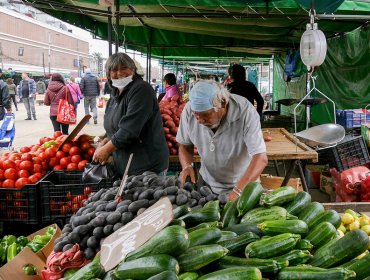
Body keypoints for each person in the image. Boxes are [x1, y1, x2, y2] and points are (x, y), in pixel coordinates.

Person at [176, 80, 268, 201]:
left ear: (223, 103)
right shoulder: (189, 110)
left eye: (205, 115)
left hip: (243, 184)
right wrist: (187, 166)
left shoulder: (245, 111)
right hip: (206, 184)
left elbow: (260, 158)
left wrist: (238, 190)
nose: (199, 120)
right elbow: (184, 145)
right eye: (196, 115)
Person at [93, 53, 169, 176]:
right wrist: (105, 140)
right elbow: (113, 127)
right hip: (125, 165)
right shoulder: (115, 95)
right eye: (114, 70)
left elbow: (129, 130)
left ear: (133, 70)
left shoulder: (142, 90)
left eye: (124, 68)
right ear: (108, 73)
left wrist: (106, 149)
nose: (119, 73)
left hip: (147, 167)